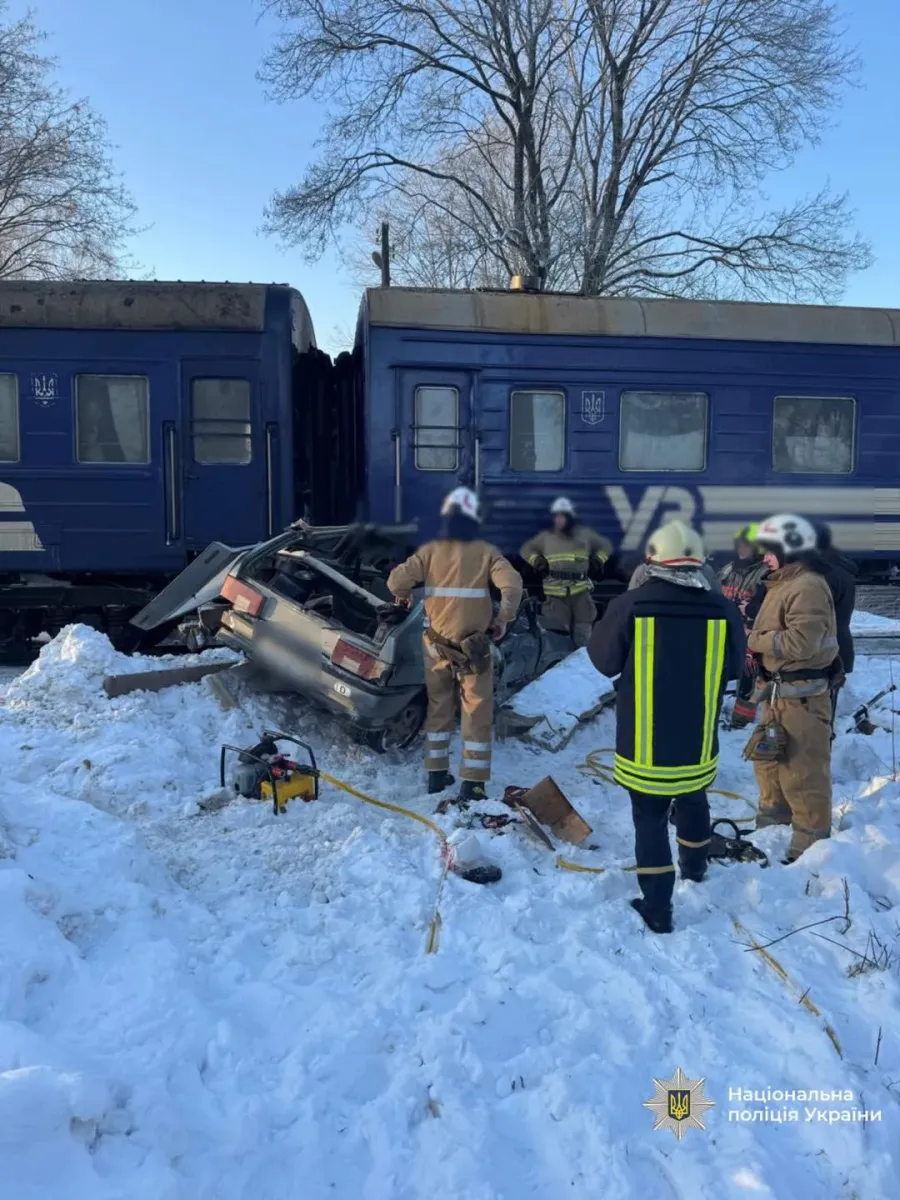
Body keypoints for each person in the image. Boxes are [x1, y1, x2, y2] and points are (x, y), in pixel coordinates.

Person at [587, 520, 746, 934]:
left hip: (644, 747)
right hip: (697, 743)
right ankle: (695, 868)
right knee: (694, 801)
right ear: (700, 562)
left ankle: (658, 907)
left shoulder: (630, 605)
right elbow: (734, 668)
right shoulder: (723, 609)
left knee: (650, 819)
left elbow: (603, 661)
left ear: (652, 560)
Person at [387, 486, 523, 803]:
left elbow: (395, 581)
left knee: (439, 706)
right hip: (473, 649)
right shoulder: (487, 551)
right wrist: (502, 618)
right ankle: (472, 784)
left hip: (435, 644)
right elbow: (513, 586)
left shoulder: (430, 551)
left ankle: (436, 775)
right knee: (476, 711)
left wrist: (404, 595)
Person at [748, 514, 840, 863]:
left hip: (802, 698)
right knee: (769, 764)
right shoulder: (784, 583)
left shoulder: (808, 585)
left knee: (803, 773)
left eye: (770, 551)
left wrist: (754, 639)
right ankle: (771, 829)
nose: (764, 557)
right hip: (778, 695)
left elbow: (802, 643)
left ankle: (810, 849)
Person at [520, 497, 613, 647]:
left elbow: (606, 546)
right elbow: (525, 549)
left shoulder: (585, 534)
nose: (559, 520)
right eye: (556, 516)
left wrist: (597, 561)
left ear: (570, 518)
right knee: (558, 637)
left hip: (580, 593)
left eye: (562, 516)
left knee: (583, 634)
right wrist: (537, 562)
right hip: (555, 597)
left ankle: (583, 660)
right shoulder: (545, 538)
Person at [717, 524, 770, 728]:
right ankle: (714, 710)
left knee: (748, 675)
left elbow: (767, 607)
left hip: (750, 635)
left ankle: (741, 722)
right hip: (724, 632)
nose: (741, 549)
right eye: (739, 544)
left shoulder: (764, 573)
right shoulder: (729, 568)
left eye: (746, 545)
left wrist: (750, 609)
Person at [813, 522, 857, 735]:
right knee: (827, 707)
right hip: (839, 645)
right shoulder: (843, 570)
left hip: (823, 649)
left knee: (815, 711)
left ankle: (818, 746)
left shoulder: (824, 575)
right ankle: (823, 741)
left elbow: (815, 616)